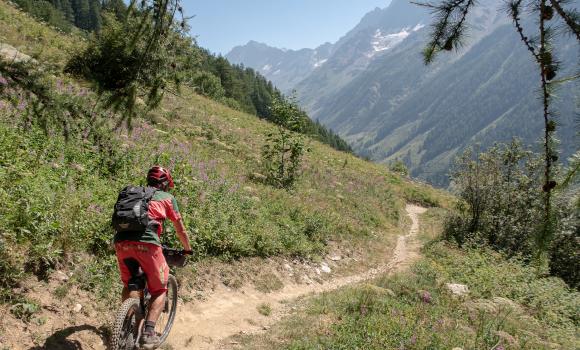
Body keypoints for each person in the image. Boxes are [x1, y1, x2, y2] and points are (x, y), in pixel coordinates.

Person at [114, 166, 192, 349]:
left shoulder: (133, 194)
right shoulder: (167, 198)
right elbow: (180, 229)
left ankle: (125, 323)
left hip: (121, 242)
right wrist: (187, 249)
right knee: (159, 289)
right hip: (148, 244)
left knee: (129, 284)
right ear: (165, 184)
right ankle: (148, 333)